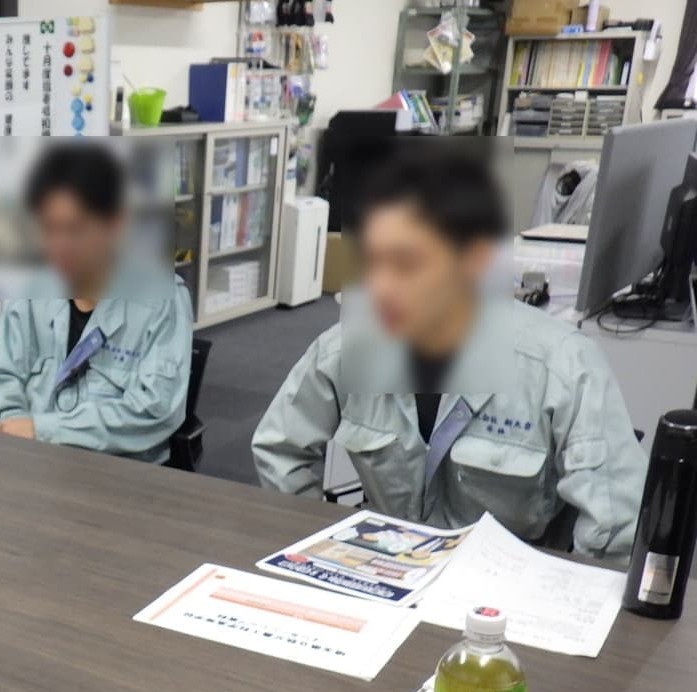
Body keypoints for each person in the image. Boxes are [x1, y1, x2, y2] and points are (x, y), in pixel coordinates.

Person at [252, 149, 645, 562]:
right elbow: (280, 449)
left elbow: (617, 528)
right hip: (385, 562)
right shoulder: (348, 348)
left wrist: (555, 589)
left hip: (506, 575)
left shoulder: (563, 366)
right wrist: (320, 544)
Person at [0, 143, 193, 463]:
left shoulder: (162, 297)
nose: (59, 245)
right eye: (49, 229)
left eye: (74, 229)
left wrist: (43, 430)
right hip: (32, 462)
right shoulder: (31, 290)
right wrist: (15, 433)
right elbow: (2, 381)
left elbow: (156, 410)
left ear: (114, 225)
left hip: (118, 473)